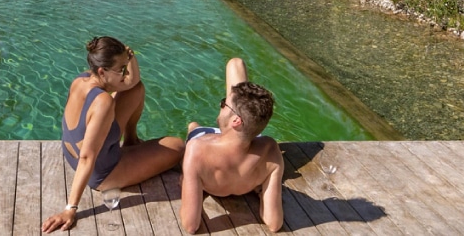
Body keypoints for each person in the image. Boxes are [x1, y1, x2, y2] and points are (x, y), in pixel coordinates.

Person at [42, 36, 185, 233]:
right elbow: (87, 157)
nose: (125, 74)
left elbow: (132, 81)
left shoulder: (82, 79)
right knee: (177, 146)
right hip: (101, 172)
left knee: (136, 89)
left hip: (71, 155)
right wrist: (70, 208)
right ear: (102, 71)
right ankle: (129, 152)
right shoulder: (103, 102)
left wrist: (130, 57)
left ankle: (131, 141)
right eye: (121, 69)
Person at [179, 57, 284, 233]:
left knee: (193, 126)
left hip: (213, 142)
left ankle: (194, 127)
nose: (221, 107)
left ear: (236, 120)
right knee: (236, 64)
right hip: (245, 141)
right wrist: (261, 189)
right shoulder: (270, 149)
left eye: (223, 104)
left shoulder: (197, 149)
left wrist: (186, 182)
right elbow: (274, 223)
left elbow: (190, 225)